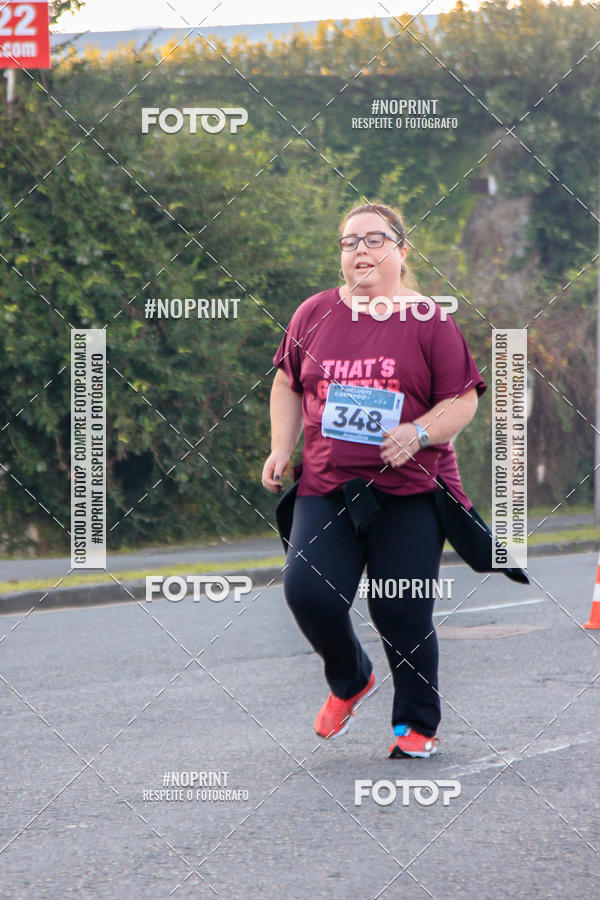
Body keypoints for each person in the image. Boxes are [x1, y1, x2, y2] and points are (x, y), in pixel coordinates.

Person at [261, 201, 488, 759]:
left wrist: (418, 432)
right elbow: (288, 383)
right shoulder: (313, 314)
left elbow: (460, 400)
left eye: (374, 240)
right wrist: (280, 448)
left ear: (401, 250)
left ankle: (415, 724)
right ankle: (349, 677)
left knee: (400, 607)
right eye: (349, 242)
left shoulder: (430, 321)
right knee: (307, 592)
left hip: (407, 493)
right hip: (327, 485)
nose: (360, 251)